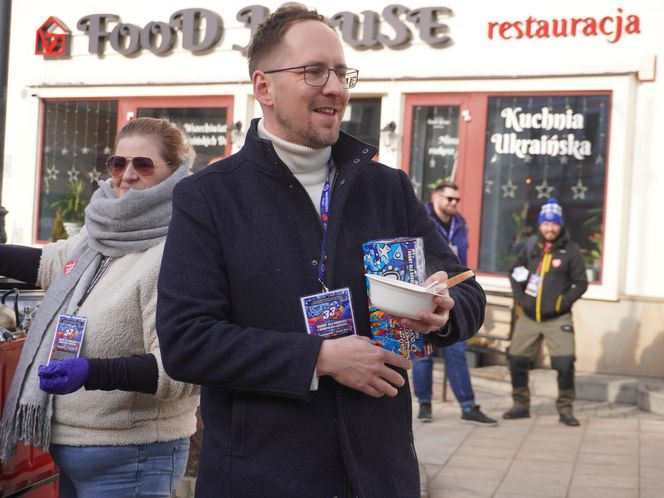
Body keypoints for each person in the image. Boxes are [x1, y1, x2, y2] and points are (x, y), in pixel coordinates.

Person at [156, 5, 486, 498]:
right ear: (264, 87)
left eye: (340, 72)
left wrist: (445, 311)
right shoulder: (208, 197)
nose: (335, 87)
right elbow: (187, 341)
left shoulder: (388, 188)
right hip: (263, 477)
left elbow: (466, 289)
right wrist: (319, 357)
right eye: (314, 71)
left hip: (379, 474)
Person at [0, 117, 200, 497]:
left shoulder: (178, 251)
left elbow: (183, 366)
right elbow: (49, 264)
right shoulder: (103, 236)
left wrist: (92, 371)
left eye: (143, 164)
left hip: (133, 457)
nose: (127, 175)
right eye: (118, 163)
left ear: (175, 173)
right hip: (78, 450)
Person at [413, 182, 497, 425]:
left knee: (457, 349)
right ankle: (425, 404)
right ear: (435, 197)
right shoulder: (421, 218)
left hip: (452, 291)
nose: (453, 203)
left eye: (457, 200)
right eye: (449, 198)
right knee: (423, 353)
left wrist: (464, 288)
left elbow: (462, 260)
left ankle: (468, 406)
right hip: (423, 289)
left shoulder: (460, 224)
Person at [504, 198, 588, 427]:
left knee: (564, 364)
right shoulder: (531, 247)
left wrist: (562, 302)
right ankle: (520, 405)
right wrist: (520, 299)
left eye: (554, 224)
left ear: (560, 225)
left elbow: (581, 283)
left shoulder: (570, 251)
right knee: (516, 360)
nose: (549, 228)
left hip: (558, 318)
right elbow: (515, 272)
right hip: (529, 317)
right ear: (540, 225)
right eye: (545, 224)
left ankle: (565, 409)